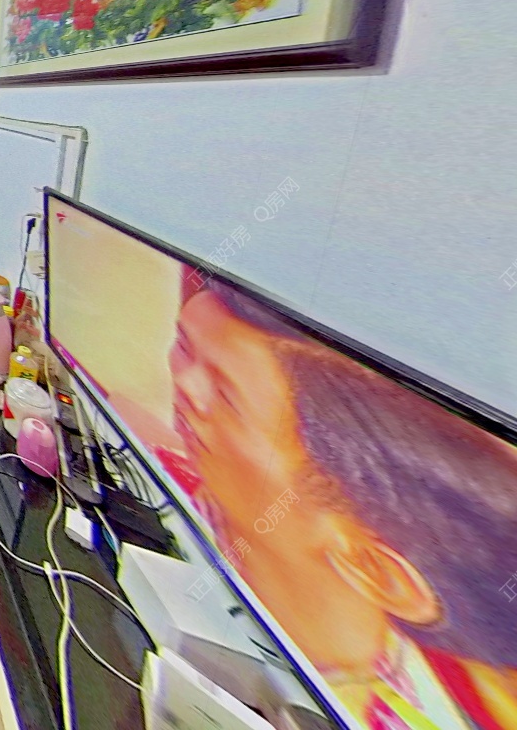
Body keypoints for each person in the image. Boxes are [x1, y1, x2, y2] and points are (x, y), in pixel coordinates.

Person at [162, 272, 517, 730]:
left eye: (226, 397)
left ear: (375, 569)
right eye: (184, 345)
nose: (181, 378)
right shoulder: (155, 476)